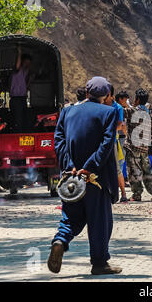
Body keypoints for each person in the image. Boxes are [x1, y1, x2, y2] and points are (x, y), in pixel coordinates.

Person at [48, 76, 122, 275]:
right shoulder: (109, 112)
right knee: (100, 222)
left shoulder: (67, 111)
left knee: (71, 217)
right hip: (96, 179)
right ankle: (99, 263)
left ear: (87, 92)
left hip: (71, 179)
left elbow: (59, 141)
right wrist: (90, 167)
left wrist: (70, 166)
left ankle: (60, 241)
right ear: (106, 96)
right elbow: (107, 144)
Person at [123, 88, 152, 201]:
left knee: (134, 171)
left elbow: (120, 112)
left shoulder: (132, 111)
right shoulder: (149, 114)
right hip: (144, 147)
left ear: (138, 99)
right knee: (147, 171)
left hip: (132, 147)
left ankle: (137, 194)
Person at [10, 47, 32, 132]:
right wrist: (19, 52)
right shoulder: (17, 70)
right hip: (16, 99)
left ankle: (22, 133)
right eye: (26, 62)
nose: (27, 64)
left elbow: (26, 86)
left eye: (28, 63)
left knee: (23, 118)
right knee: (17, 119)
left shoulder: (25, 72)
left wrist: (30, 80)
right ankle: (17, 134)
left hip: (22, 98)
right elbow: (17, 65)